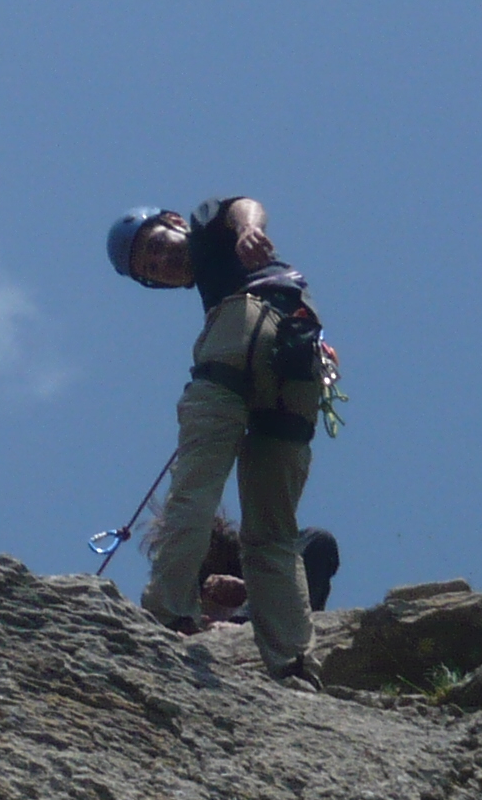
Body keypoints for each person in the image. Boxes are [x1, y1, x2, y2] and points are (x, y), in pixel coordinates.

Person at [106, 196, 335, 687]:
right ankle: (293, 662)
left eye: (157, 247)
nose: (163, 264)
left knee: (197, 487)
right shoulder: (221, 276)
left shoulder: (211, 234)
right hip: (297, 357)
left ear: (171, 223)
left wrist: (249, 229)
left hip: (243, 333)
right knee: (273, 530)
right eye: (151, 268)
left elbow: (239, 205)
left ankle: (168, 612)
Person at [158, 512, 343, 620]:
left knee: (317, 540)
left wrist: (250, 591)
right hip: (222, 637)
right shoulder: (183, 591)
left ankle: (246, 619)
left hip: (283, 619)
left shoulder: (264, 557)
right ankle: (244, 621)